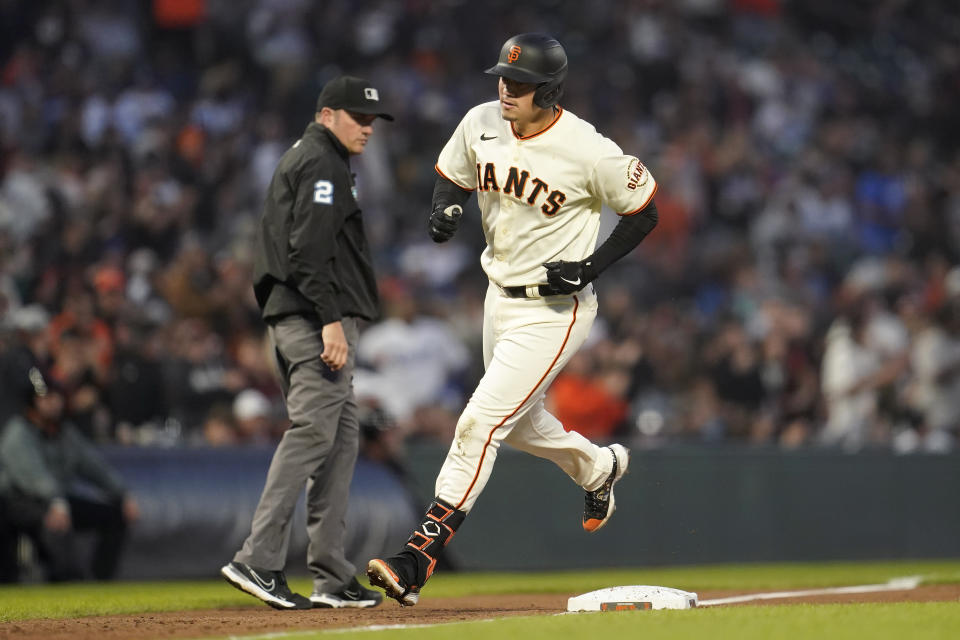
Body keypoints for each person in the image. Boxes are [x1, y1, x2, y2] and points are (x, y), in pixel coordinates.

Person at [366, 33, 660, 606]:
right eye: (503, 76)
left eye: (520, 84)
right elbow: (453, 174)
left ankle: (419, 555)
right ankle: (598, 468)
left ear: (549, 92)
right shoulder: (481, 120)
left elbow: (644, 208)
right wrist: (445, 207)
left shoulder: (588, 149)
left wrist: (592, 265)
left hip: (554, 310)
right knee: (520, 424)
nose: (506, 88)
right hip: (498, 298)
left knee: (480, 423)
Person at [220, 76, 391, 610]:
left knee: (339, 441)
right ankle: (258, 557)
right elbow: (309, 251)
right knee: (313, 432)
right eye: (356, 117)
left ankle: (331, 575)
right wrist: (330, 320)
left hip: (305, 319)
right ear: (325, 116)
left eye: (372, 120)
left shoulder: (319, 158)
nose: (367, 127)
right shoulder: (321, 161)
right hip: (312, 321)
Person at [0, 365, 139, 583]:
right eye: (45, 398)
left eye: (56, 397)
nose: (53, 403)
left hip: (57, 499)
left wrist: (122, 492)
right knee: (53, 518)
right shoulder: (18, 433)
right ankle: (64, 579)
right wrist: (56, 501)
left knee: (115, 515)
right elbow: (34, 477)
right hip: (17, 502)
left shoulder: (65, 433)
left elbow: (94, 466)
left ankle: (100, 581)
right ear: (32, 403)